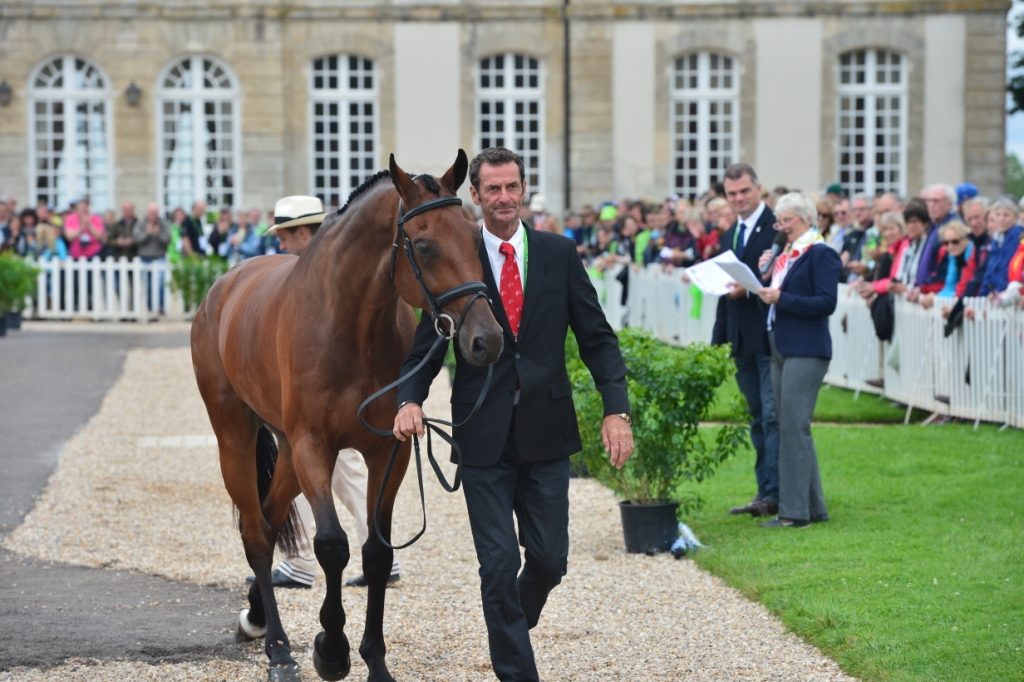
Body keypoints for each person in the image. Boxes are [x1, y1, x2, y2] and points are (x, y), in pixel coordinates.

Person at [392, 147, 633, 682]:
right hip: (483, 438)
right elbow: (427, 347)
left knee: (549, 561)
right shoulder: (461, 253)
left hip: (547, 434)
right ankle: (517, 671)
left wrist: (616, 411)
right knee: (498, 566)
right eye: (492, 189)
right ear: (474, 196)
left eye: (511, 187)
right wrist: (409, 399)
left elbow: (598, 340)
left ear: (522, 190)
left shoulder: (559, 254)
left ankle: (511, 624)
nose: (503, 198)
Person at [244, 196, 401, 589]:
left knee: (306, 462)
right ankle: (375, 546)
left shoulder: (314, 284)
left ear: (302, 233)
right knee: (340, 468)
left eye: (284, 236)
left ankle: (301, 559)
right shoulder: (331, 276)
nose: (280, 245)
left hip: (325, 397)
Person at [756, 192, 841, 528]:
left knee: (794, 426)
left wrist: (782, 298)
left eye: (786, 221)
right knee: (789, 425)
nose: (781, 228)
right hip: (780, 343)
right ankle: (814, 507)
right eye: (779, 221)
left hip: (807, 348)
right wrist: (765, 276)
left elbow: (825, 302)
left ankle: (793, 513)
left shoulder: (821, 254)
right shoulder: (787, 254)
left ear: (805, 219)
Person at [712, 162, 780, 519]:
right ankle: (764, 490)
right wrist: (719, 341)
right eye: (732, 194)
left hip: (769, 336)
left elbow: (778, 282)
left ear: (758, 189)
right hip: (742, 338)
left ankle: (776, 492)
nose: (739, 199)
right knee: (757, 417)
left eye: (744, 192)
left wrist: (749, 291)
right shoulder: (730, 234)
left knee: (771, 417)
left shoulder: (776, 229)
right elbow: (725, 290)